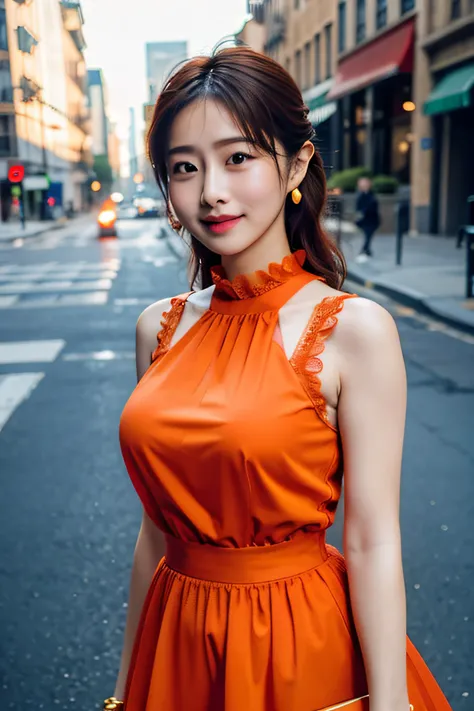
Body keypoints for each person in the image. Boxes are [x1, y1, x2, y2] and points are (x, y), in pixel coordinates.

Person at [109, 46, 453, 711]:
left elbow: (373, 536)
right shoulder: (158, 328)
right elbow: (154, 531)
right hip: (175, 643)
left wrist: (389, 702)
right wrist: (124, 689)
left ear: (295, 163)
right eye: (185, 167)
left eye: (238, 158)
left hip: (298, 648)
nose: (211, 189)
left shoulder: (355, 330)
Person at [354, 177, 380, 262]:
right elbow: (358, 208)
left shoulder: (372, 195)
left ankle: (365, 249)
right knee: (367, 235)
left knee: (368, 235)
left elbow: (374, 206)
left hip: (372, 220)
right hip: (364, 221)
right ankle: (366, 250)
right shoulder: (360, 195)